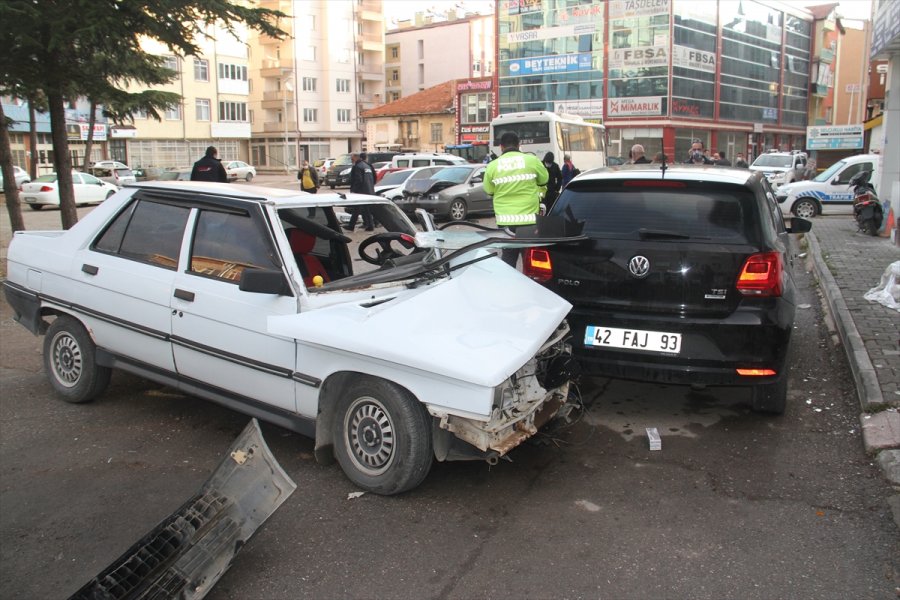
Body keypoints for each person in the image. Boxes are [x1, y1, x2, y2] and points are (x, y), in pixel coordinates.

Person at [483, 132, 548, 267]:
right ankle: (529, 280)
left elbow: (489, 190)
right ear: (519, 145)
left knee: (508, 258)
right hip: (529, 221)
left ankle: (509, 280)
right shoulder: (532, 160)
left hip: (505, 222)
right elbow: (544, 180)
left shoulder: (492, 166)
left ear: (501, 147)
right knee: (529, 259)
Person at [346, 152, 375, 231]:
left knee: (357, 208)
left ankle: (352, 226)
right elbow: (373, 179)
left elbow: (358, 180)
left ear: (356, 157)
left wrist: (354, 191)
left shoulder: (358, 166)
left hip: (361, 192)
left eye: (352, 158)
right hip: (369, 191)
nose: (351, 160)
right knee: (365, 209)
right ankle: (369, 225)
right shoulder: (367, 166)